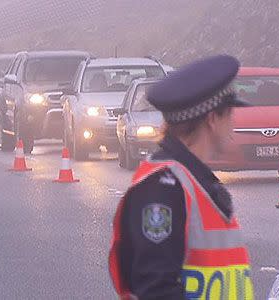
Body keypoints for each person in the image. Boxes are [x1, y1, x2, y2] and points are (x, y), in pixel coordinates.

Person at [108, 55, 254, 299]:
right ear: (212, 119)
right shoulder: (162, 189)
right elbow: (156, 290)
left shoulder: (196, 181)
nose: (234, 122)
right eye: (229, 113)